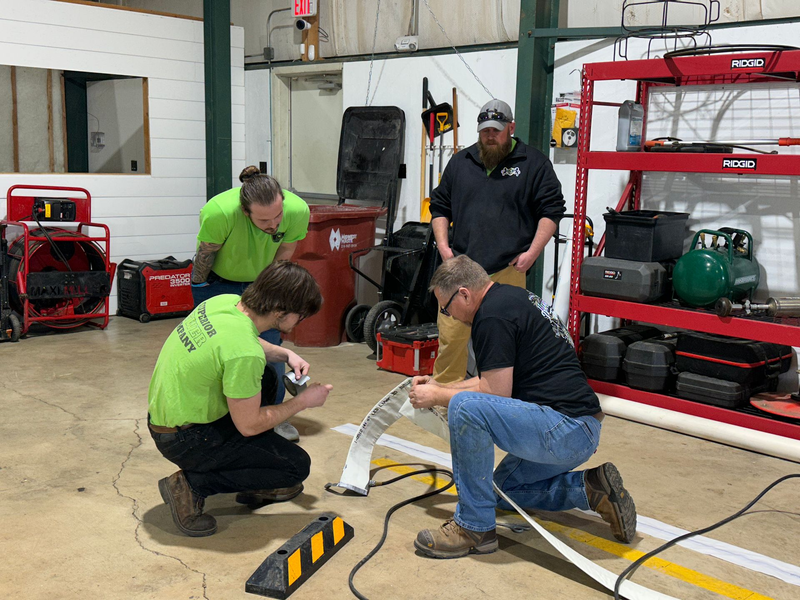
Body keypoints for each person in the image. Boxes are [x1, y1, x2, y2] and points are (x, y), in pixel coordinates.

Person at [408, 256, 636, 558]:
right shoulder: (510, 299)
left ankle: (474, 527)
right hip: (578, 429)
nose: (447, 314)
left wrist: (438, 398)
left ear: (464, 293)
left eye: (446, 307)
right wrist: (438, 387)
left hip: (564, 429)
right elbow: (489, 380)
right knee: (499, 491)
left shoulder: (492, 317)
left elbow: (494, 394)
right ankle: (591, 488)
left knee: (464, 408)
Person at [148, 261, 332, 537]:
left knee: (267, 378)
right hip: (185, 440)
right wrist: (304, 401)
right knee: (295, 466)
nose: (299, 323)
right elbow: (249, 425)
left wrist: (286, 355)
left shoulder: (224, 303)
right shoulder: (244, 354)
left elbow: (245, 340)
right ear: (280, 312)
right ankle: (192, 485)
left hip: (167, 418)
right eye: (299, 316)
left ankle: (247, 467)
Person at [429, 98, 565, 384]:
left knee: (504, 344)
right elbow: (440, 207)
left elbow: (551, 211)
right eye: (485, 130)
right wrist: (444, 247)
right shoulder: (461, 162)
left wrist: (532, 252)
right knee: (451, 341)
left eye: (497, 130)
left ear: (511, 128)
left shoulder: (534, 163)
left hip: (507, 272)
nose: (490, 136)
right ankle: (441, 401)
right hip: (460, 272)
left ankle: (502, 401)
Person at [191, 165, 311, 441]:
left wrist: (273, 289)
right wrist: (200, 292)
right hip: (219, 281)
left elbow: (286, 250)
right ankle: (219, 417)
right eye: (264, 221)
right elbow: (205, 255)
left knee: (271, 345)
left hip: (263, 282)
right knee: (218, 348)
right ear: (246, 212)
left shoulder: (297, 211)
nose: (274, 225)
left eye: (278, 216)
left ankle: (272, 415)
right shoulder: (219, 212)